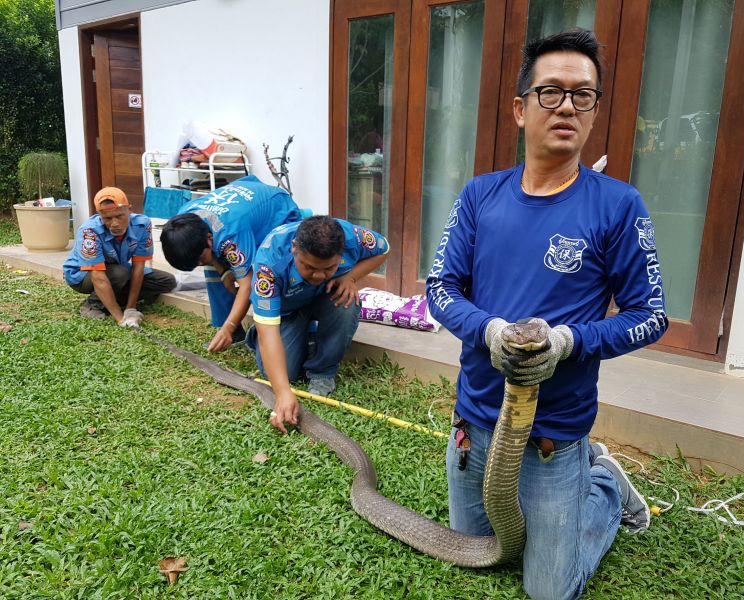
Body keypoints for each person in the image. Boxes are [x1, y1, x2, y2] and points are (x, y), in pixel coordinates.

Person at [425, 29, 668, 600]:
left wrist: (567, 342)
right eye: (550, 92)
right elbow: (440, 288)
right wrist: (488, 330)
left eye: (582, 95)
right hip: (476, 420)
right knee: (475, 552)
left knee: (548, 592)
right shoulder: (480, 194)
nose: (566, 106)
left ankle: (603, 484)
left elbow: (650, 314)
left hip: (553, 435)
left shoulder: (617, 205)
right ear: (519, 109)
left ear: (594, 110)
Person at [247, 215, 389, 432]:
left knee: (347, 303)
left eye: (329, 268)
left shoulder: (353, 237)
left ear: (341, 253)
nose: (319, 275)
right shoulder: (269, 263)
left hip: (325, 296)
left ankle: (323, 371)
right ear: (294, 248)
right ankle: (263, 334)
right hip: (287, 312)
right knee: (281, 374)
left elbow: (384, 249)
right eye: (309, 267)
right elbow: (270, 335)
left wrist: (350, 277)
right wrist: (283, 393)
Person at [160, 175, 304, 352]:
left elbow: (247, 285)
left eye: (199, 259)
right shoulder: (183, 220)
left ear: (209, 238)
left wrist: (228, 325)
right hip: (245, 201)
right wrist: (223, 272)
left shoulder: (230, 236)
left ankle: (285, 328)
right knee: (212, 271)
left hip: (277, 210)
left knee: (269, 272)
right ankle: (235, 334)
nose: (199, 263)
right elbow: (211, 255)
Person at [64, 187, 176, 327]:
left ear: (129, 210)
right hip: (81, 275)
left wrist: (130, 309)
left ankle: (116, 301)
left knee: (166, 281)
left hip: (118, 268)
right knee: (120, 273)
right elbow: (98, 277)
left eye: (119, 216)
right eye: (108, 218)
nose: (115, 223)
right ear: (99, 215)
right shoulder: (89, 231)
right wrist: (121, 319)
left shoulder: (142, 224)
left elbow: (138, 268)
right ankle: (93, 305)